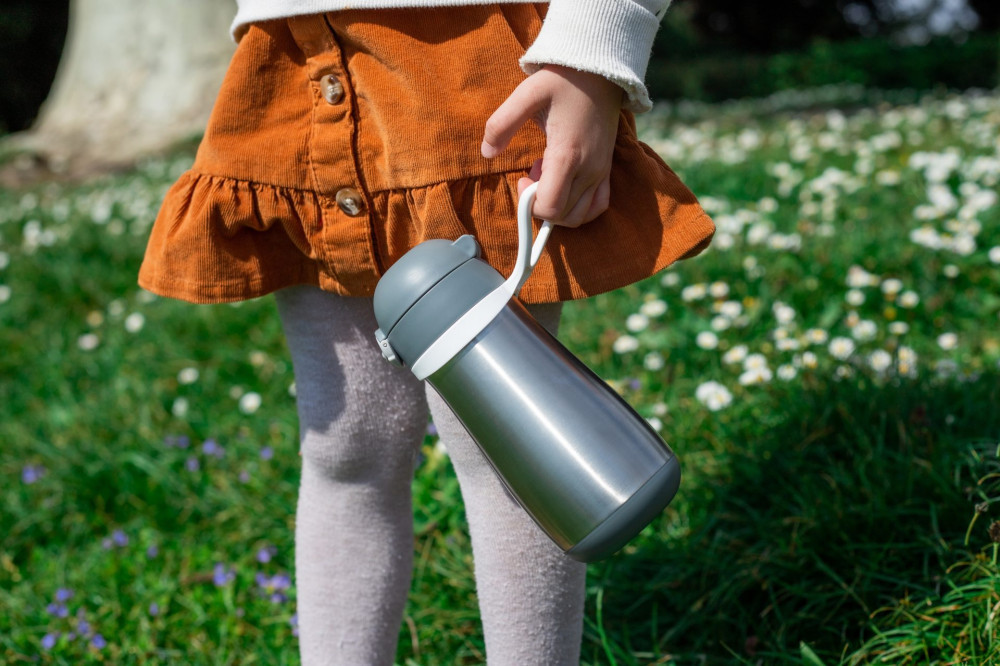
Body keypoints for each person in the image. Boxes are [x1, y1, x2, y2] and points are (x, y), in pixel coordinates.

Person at [139, 1, 714, 663]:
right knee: (346, 449)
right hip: (289, 71)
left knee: (513, 450)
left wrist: (594, 51)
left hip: (467, 83)